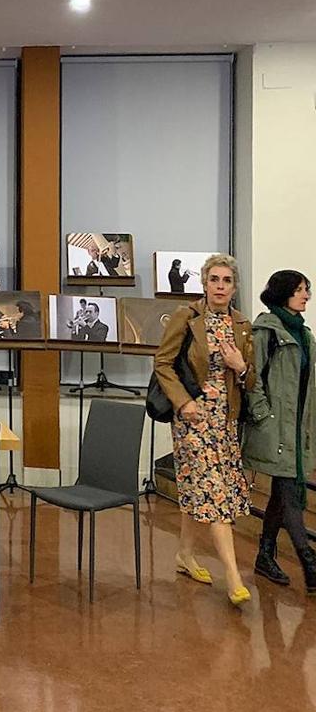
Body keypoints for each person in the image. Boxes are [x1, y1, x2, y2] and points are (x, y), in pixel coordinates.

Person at [154, 254, 255, 607]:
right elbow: (163, 363)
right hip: (193, 418)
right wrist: (183, 402)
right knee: (215, 496)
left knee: (199, 489)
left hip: (225, 421)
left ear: (234, 286)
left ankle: (184, 554)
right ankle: (233, 577)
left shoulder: (242, 324)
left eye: (227, 281)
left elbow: (252, 378)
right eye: (214, 279)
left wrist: (240, 367)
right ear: (204, 282)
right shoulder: (188, 317)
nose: (220, 287)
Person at [243, 270, 316, 594]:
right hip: (276, 428)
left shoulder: (306, 336)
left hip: (298, 429)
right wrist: (263, 415)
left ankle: (264, 554)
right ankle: (309, 561)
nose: (306, 296)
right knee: (289, 495)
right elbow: (252, 379)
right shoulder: (266, 332)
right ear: (283, 293)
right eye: (300, 290)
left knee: (281, 493)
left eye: (307, 290)